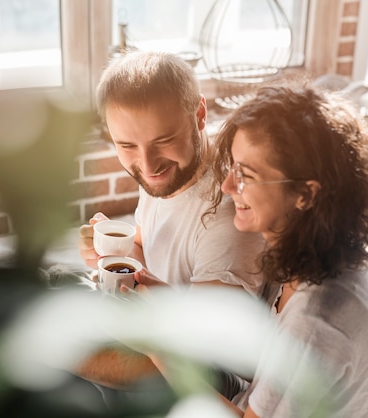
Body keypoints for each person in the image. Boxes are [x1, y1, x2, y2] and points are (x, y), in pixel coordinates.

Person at [193, 83, 368, 417]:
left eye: (245, 175)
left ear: (306, 194)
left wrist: (160, 355)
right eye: (232, 168)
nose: (228, 186)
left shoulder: (317, 318)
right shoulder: (314, 253)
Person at [75, 51, 265, 394]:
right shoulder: (168, 173)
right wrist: (112, 253)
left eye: (163, 140)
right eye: (127, 145)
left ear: (200, 115)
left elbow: (198, 354)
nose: (147, 164)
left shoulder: (229, 217)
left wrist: (56, 353)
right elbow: (149, 249)